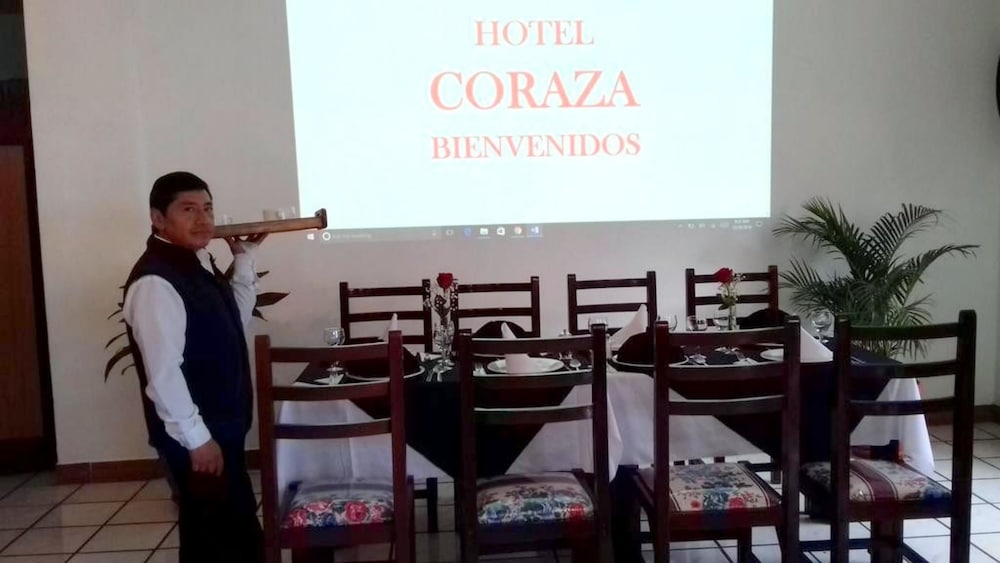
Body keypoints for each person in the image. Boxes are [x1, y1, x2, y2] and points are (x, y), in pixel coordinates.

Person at [123, 171, 265, 562]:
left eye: (207, 209)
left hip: (219, 428)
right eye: (188, 210)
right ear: (158, 218)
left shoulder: (194, 263)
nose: (203, 220)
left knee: (224, 535)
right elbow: (164, 372)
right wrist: (196, 438)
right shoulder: (156, 281)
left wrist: (244, 260)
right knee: (219, 541)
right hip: (199, 437)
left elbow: (231, 322)